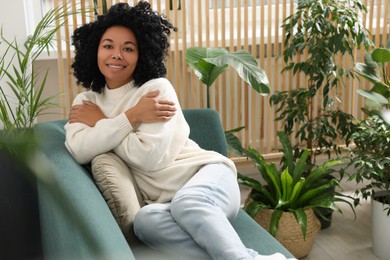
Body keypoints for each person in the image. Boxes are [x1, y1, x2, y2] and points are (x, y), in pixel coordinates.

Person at [65, 2, 294, 260]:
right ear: (94, 51)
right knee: (144, 221)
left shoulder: (156, 90)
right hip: (166, 206)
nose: (117, 54)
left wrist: (102, 124)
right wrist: (132, 117)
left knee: (189, 203)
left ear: (142, 55)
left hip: (208, 178)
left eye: (128, 48)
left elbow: (149, 157)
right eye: (108, 46)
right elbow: (79, 149)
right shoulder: (86, 104)